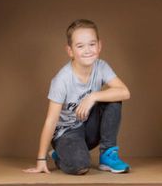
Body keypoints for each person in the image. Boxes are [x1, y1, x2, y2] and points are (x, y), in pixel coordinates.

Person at [24, 19, 131, 175]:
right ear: (70, 51)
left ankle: (108, 155)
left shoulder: (101, 66)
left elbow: (124, 92)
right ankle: (60, 154)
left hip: (88, 127)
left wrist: (93, 96)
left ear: (99, 46)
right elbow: (51, 120)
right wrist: (41, 159)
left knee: (113, 98)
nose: (87, 50)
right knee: (81, 166)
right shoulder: (62, 80)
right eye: (80, 46)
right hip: (67, 133)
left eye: (92, 44)